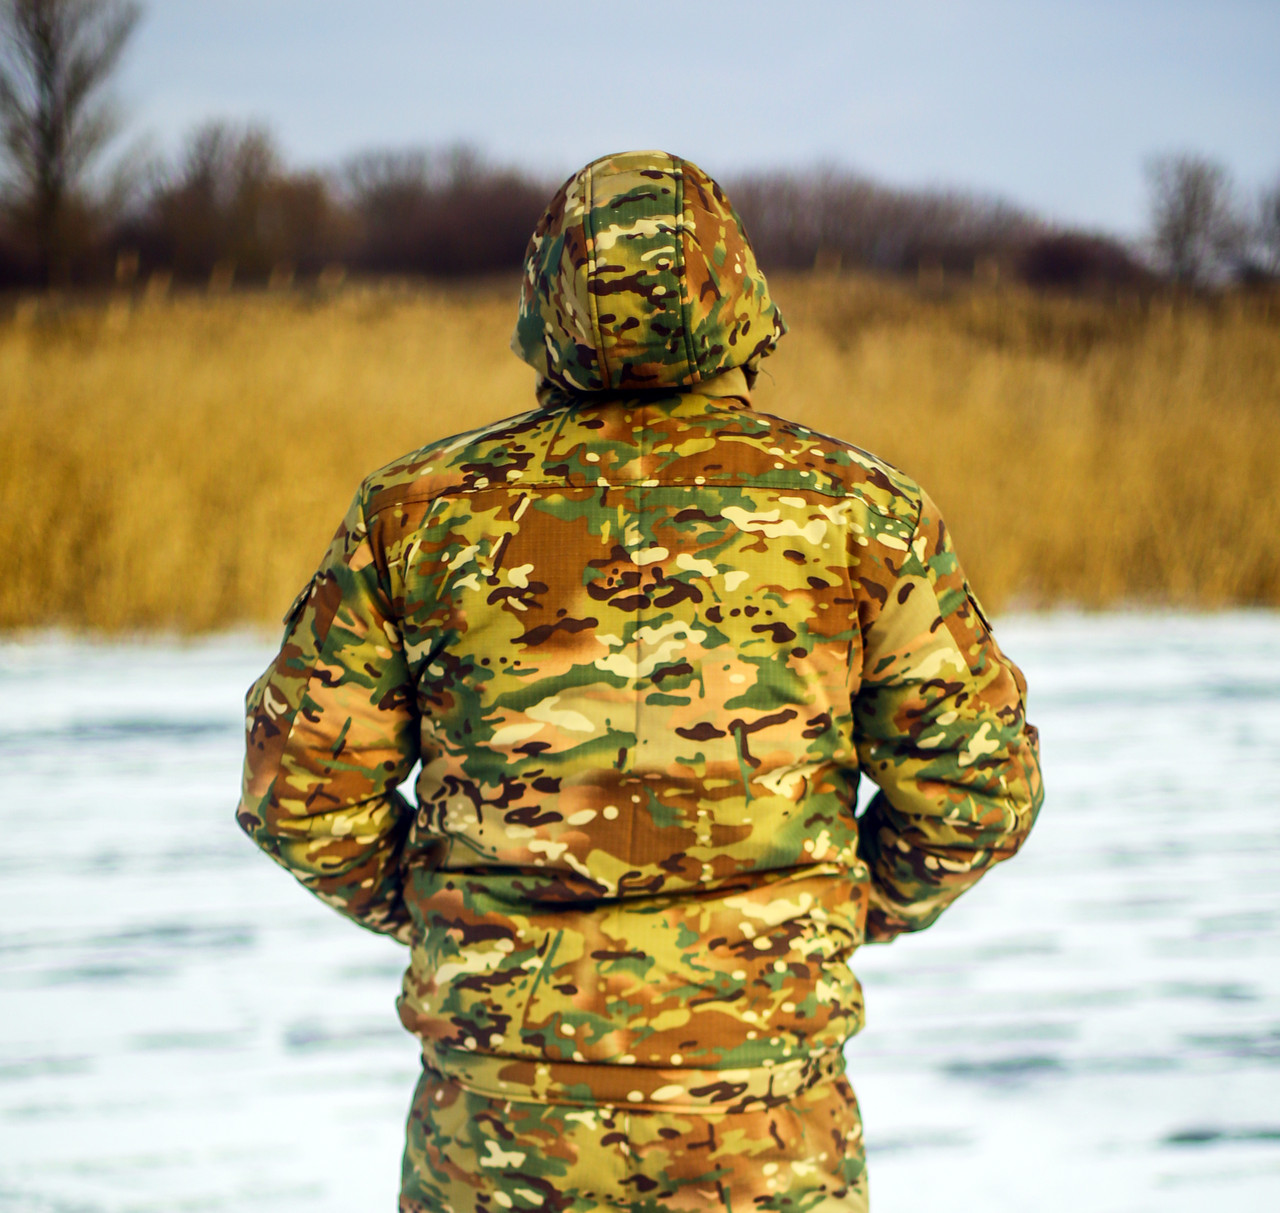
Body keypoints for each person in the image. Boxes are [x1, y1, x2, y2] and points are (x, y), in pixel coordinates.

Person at [237, 150, 1044, 1212]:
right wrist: (823, 918)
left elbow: (298, 790)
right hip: (761, 1130)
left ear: (544, 310)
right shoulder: (858, 515)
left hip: (496, 1130)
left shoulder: (419, 514)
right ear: (740, 301)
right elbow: (979, 789)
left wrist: (459, 920)